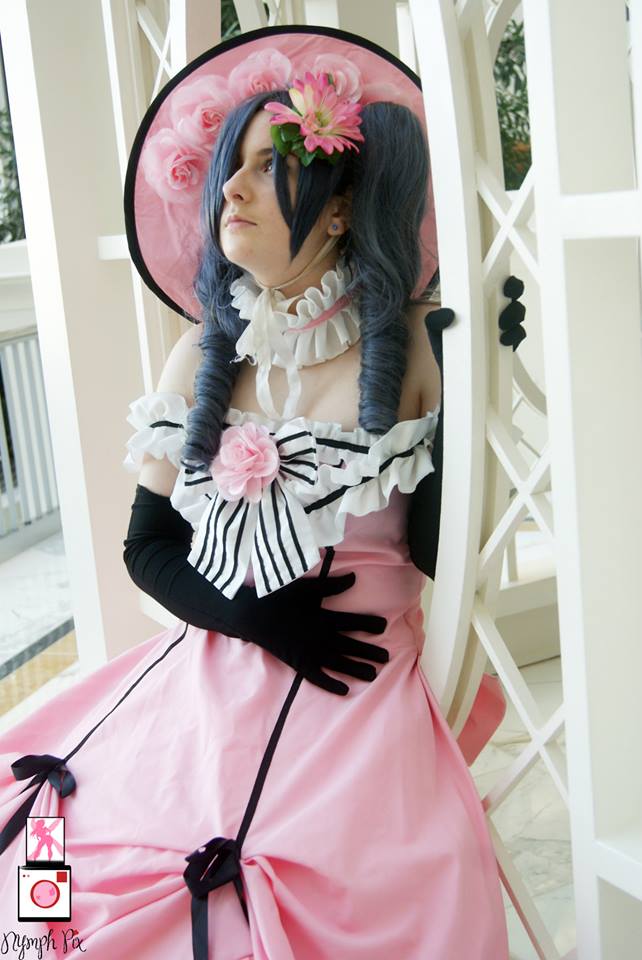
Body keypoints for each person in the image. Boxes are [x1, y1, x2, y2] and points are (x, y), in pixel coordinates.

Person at [0, 26, 509, 959]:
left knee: (271, 895)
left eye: (269, 167)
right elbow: (147, 548)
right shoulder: (201, 352)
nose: (230, 189)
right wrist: (253, 618)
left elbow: (446, 553)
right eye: (229, 168)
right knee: (56, 862)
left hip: (351, 692)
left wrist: (486, 373)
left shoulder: (415, 345)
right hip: (209, 667)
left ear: (342, 207)